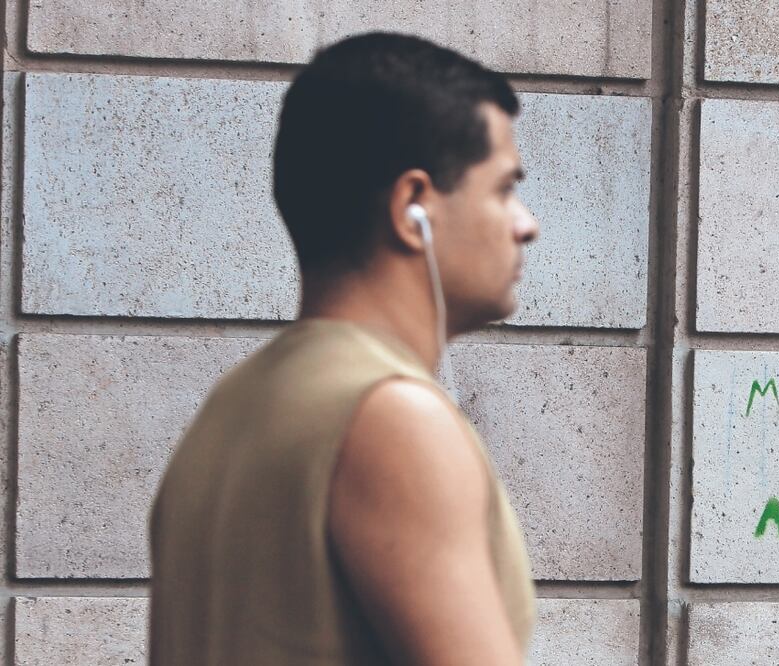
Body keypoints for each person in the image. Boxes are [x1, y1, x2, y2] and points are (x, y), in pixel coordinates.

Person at [148, 32, 540, 665]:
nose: (527, 223)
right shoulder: (391, 417)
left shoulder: (232, 408)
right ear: (413, 205)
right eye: (502, 188)